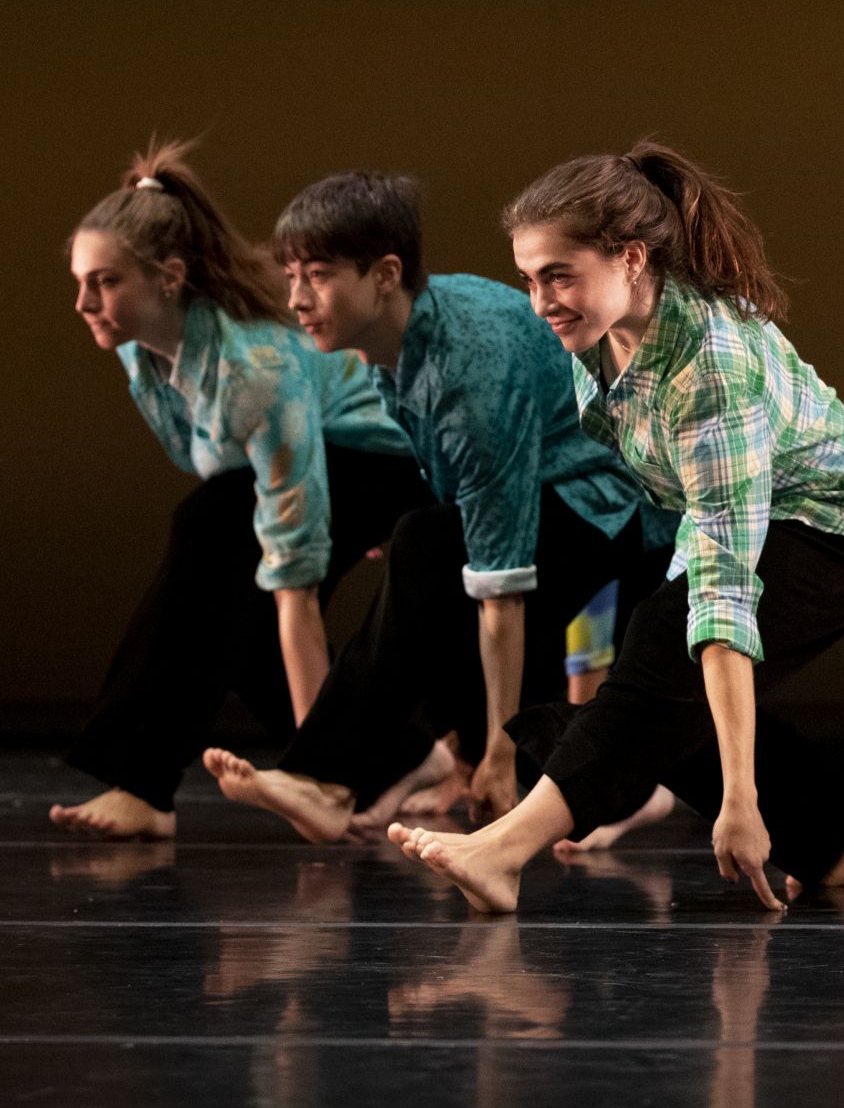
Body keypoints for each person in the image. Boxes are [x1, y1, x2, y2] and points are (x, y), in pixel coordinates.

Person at [388, 141, 844, 913]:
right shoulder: (601, 341)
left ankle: (505, 847)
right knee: (661, 675)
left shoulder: (710, 369)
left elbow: (725, 597)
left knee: (668, 651)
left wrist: (740, 798)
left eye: (559, 275)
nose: (541, 301)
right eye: (529, 278)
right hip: (744, 517)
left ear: (631, 258)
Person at [202, 172, 675, 843]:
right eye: (291, 276)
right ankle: (351, 777)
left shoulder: (467, 366)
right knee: (429, 556)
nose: (296, 299)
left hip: (617, 508)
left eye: (317, 275)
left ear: (385, 274)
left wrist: (497, 755)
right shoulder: (394, 342)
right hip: (563, 495)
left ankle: (335, 777)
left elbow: (503, 587)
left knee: (430, 551)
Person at [52, 141, 425, 840]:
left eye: (103, 282)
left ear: (167, 277)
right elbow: (223, 463)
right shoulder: (142, 347)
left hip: (393, 461)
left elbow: (293, 571)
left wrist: (320, 779)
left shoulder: (252, 366)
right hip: (317, 452)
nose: (82, 303)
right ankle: (399, 760)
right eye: (79, 281)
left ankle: (149, 780)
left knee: (214, 533)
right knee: (233, 596)